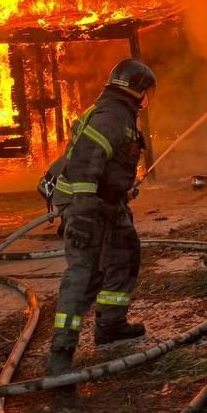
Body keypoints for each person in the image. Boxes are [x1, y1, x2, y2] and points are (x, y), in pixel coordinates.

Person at [43, 57, 156, 378]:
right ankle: (60, 356)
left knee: (124, 252)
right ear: (135, 89)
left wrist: (122, 188)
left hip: (106, 203)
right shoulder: (110, 118)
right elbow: (82, 167)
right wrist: (79, 218)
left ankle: (111, 324)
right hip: (85, 206)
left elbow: (107, 165)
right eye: (147, 90)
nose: (149, 97)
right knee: (84, 274)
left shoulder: (120, 114)